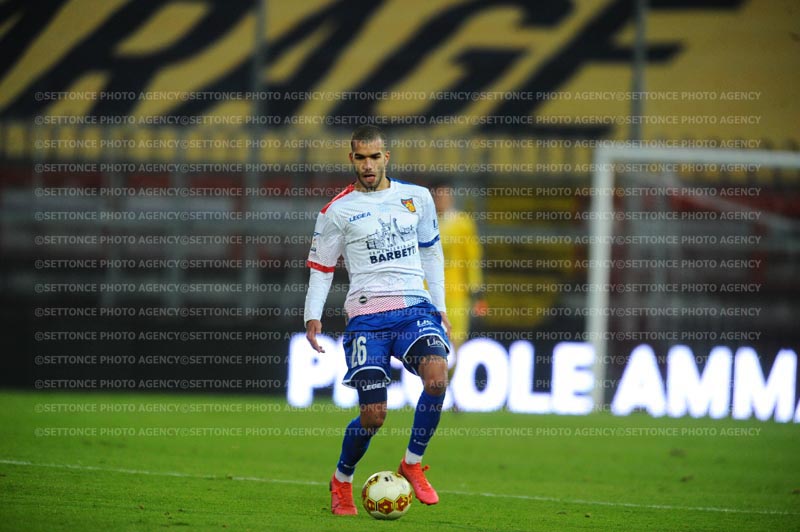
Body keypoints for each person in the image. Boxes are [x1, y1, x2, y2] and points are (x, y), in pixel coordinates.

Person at [303, 125, 451, 515]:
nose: (368, 165)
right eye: (360, 158)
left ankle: (412, 463)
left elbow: (431, 253)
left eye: (374, 157)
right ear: (351, 159)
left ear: (386, 157)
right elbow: (322, 269)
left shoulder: (417, 198)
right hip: (367, 318)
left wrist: (440, 307)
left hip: (414, 310)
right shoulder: (336, 211)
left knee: (437, 378)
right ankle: (342, 478)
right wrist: (312, 316)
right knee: (373, 416)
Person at [430, 181, 487, 357]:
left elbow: (472, 259)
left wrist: (477, 292)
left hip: (457, 295)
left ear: (451, 197)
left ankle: (451, 374)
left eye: (445, 195)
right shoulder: (424, 223)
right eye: (438, 195)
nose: (442, 199)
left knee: (454, 343)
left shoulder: (463, 224)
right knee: (430, 343)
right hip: (429, 295)